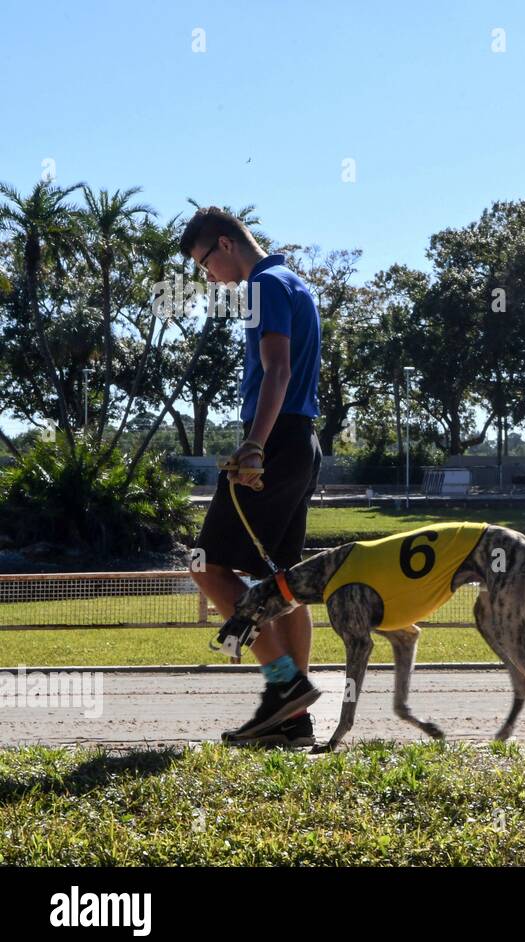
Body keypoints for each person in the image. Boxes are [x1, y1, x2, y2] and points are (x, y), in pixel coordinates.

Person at [182, 207, 324, 748]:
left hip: (274, 443)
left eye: (204, 263)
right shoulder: (293, 282)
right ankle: (293, 722)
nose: (207, 277)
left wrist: (254, 445)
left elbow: (277, 370)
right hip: (301, 441)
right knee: (283, 583)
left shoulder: (262, 287)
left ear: (225, 243)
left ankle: (285, 689)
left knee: (204, 564)